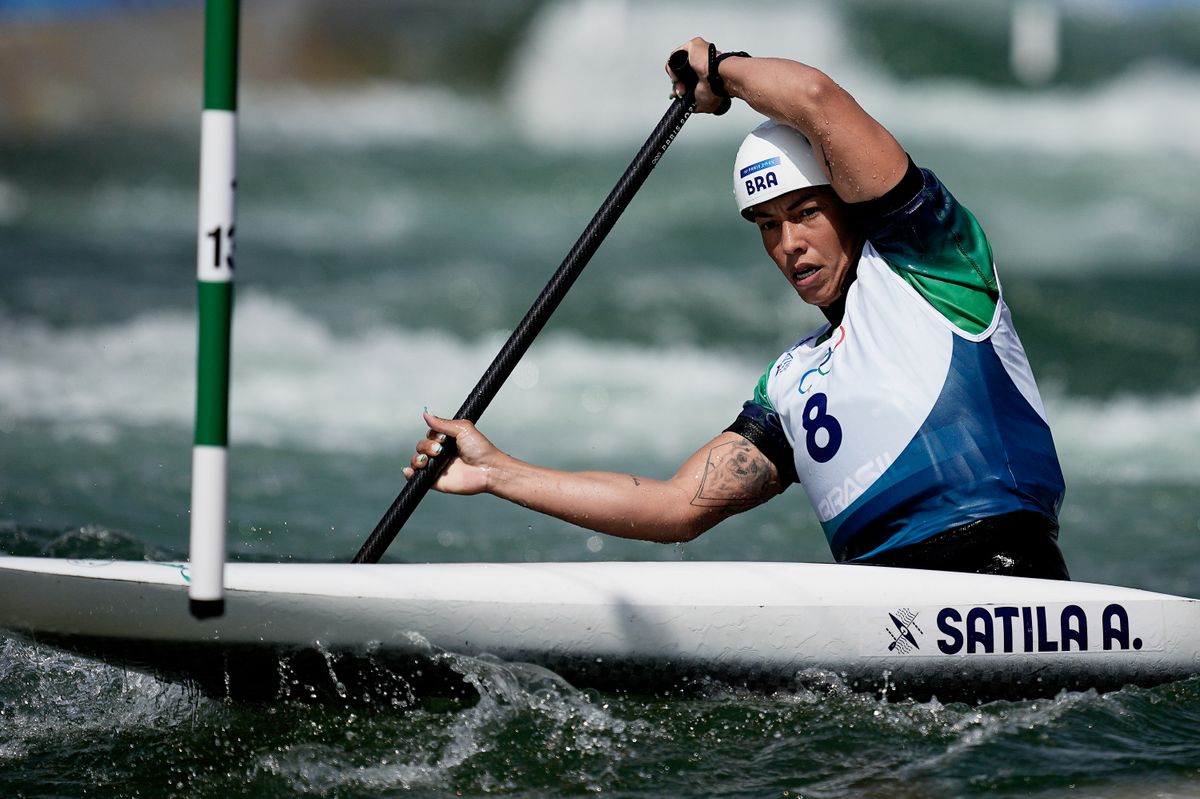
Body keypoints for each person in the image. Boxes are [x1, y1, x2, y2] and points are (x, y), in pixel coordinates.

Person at [405, 37, 1070, 580]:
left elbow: (816, 100)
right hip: (881, 619)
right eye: (767, 225)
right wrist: (496, 471)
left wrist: (721, 74)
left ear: (849, 205)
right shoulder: (787, 383)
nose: (789, 243)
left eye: (806, 212)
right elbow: (675, 506)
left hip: (1005, 579)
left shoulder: (930, 263)